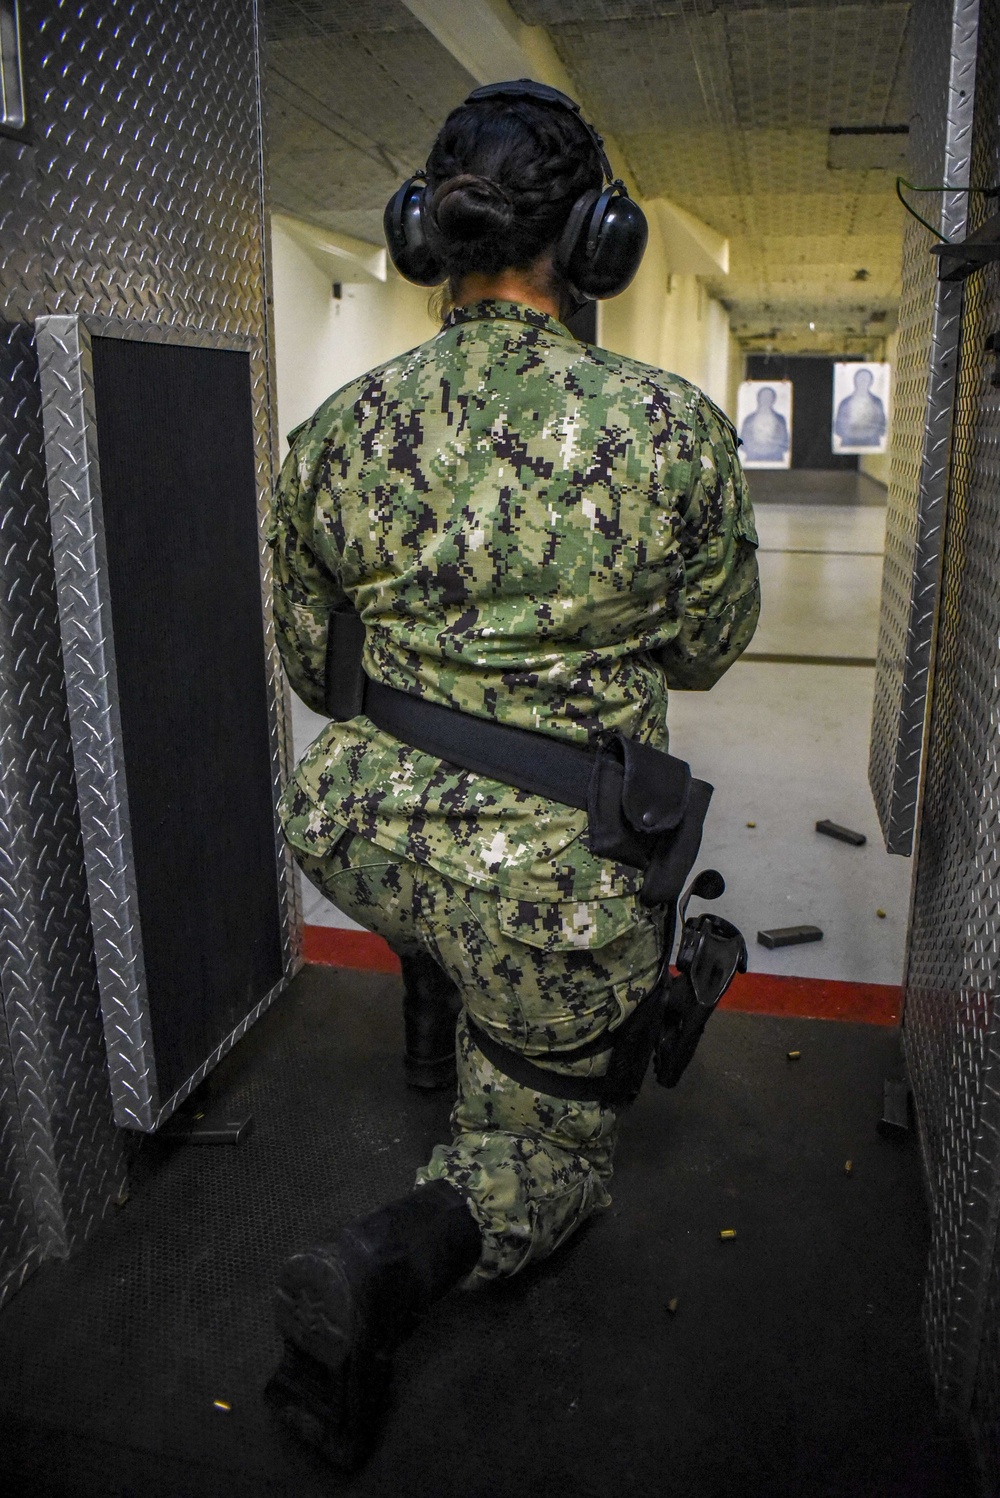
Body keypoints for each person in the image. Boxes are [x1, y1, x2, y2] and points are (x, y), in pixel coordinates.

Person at [264, 80, 760, 1466]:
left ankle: (444, 990)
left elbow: (319, 672)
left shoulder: (338, 433)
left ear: (427, 231)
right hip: (544, 884)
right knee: (549, 1153)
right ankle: (374, 1268)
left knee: (447, 882)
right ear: (599, 241)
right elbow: (714, 645)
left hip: (356, 827)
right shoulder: (664, 430)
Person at [834, 366, 886, 449]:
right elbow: (838, 428)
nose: (863, 382)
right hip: (848, 444)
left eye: (866, 379)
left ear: (871, 382)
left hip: (871, 444)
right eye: (860, 379)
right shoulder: (845, 402)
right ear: (855, 381)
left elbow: (882, 426)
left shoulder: (877, 401)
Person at [739, 384, 790, 464]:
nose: (766, 400)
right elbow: (742, 444)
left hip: (775, 461)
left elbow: (785, 444)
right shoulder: (749, 419)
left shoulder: (780, 419)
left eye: (769, 397)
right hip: (752, 461)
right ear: (758, 398)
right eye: (763, 397)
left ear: (773, 399)